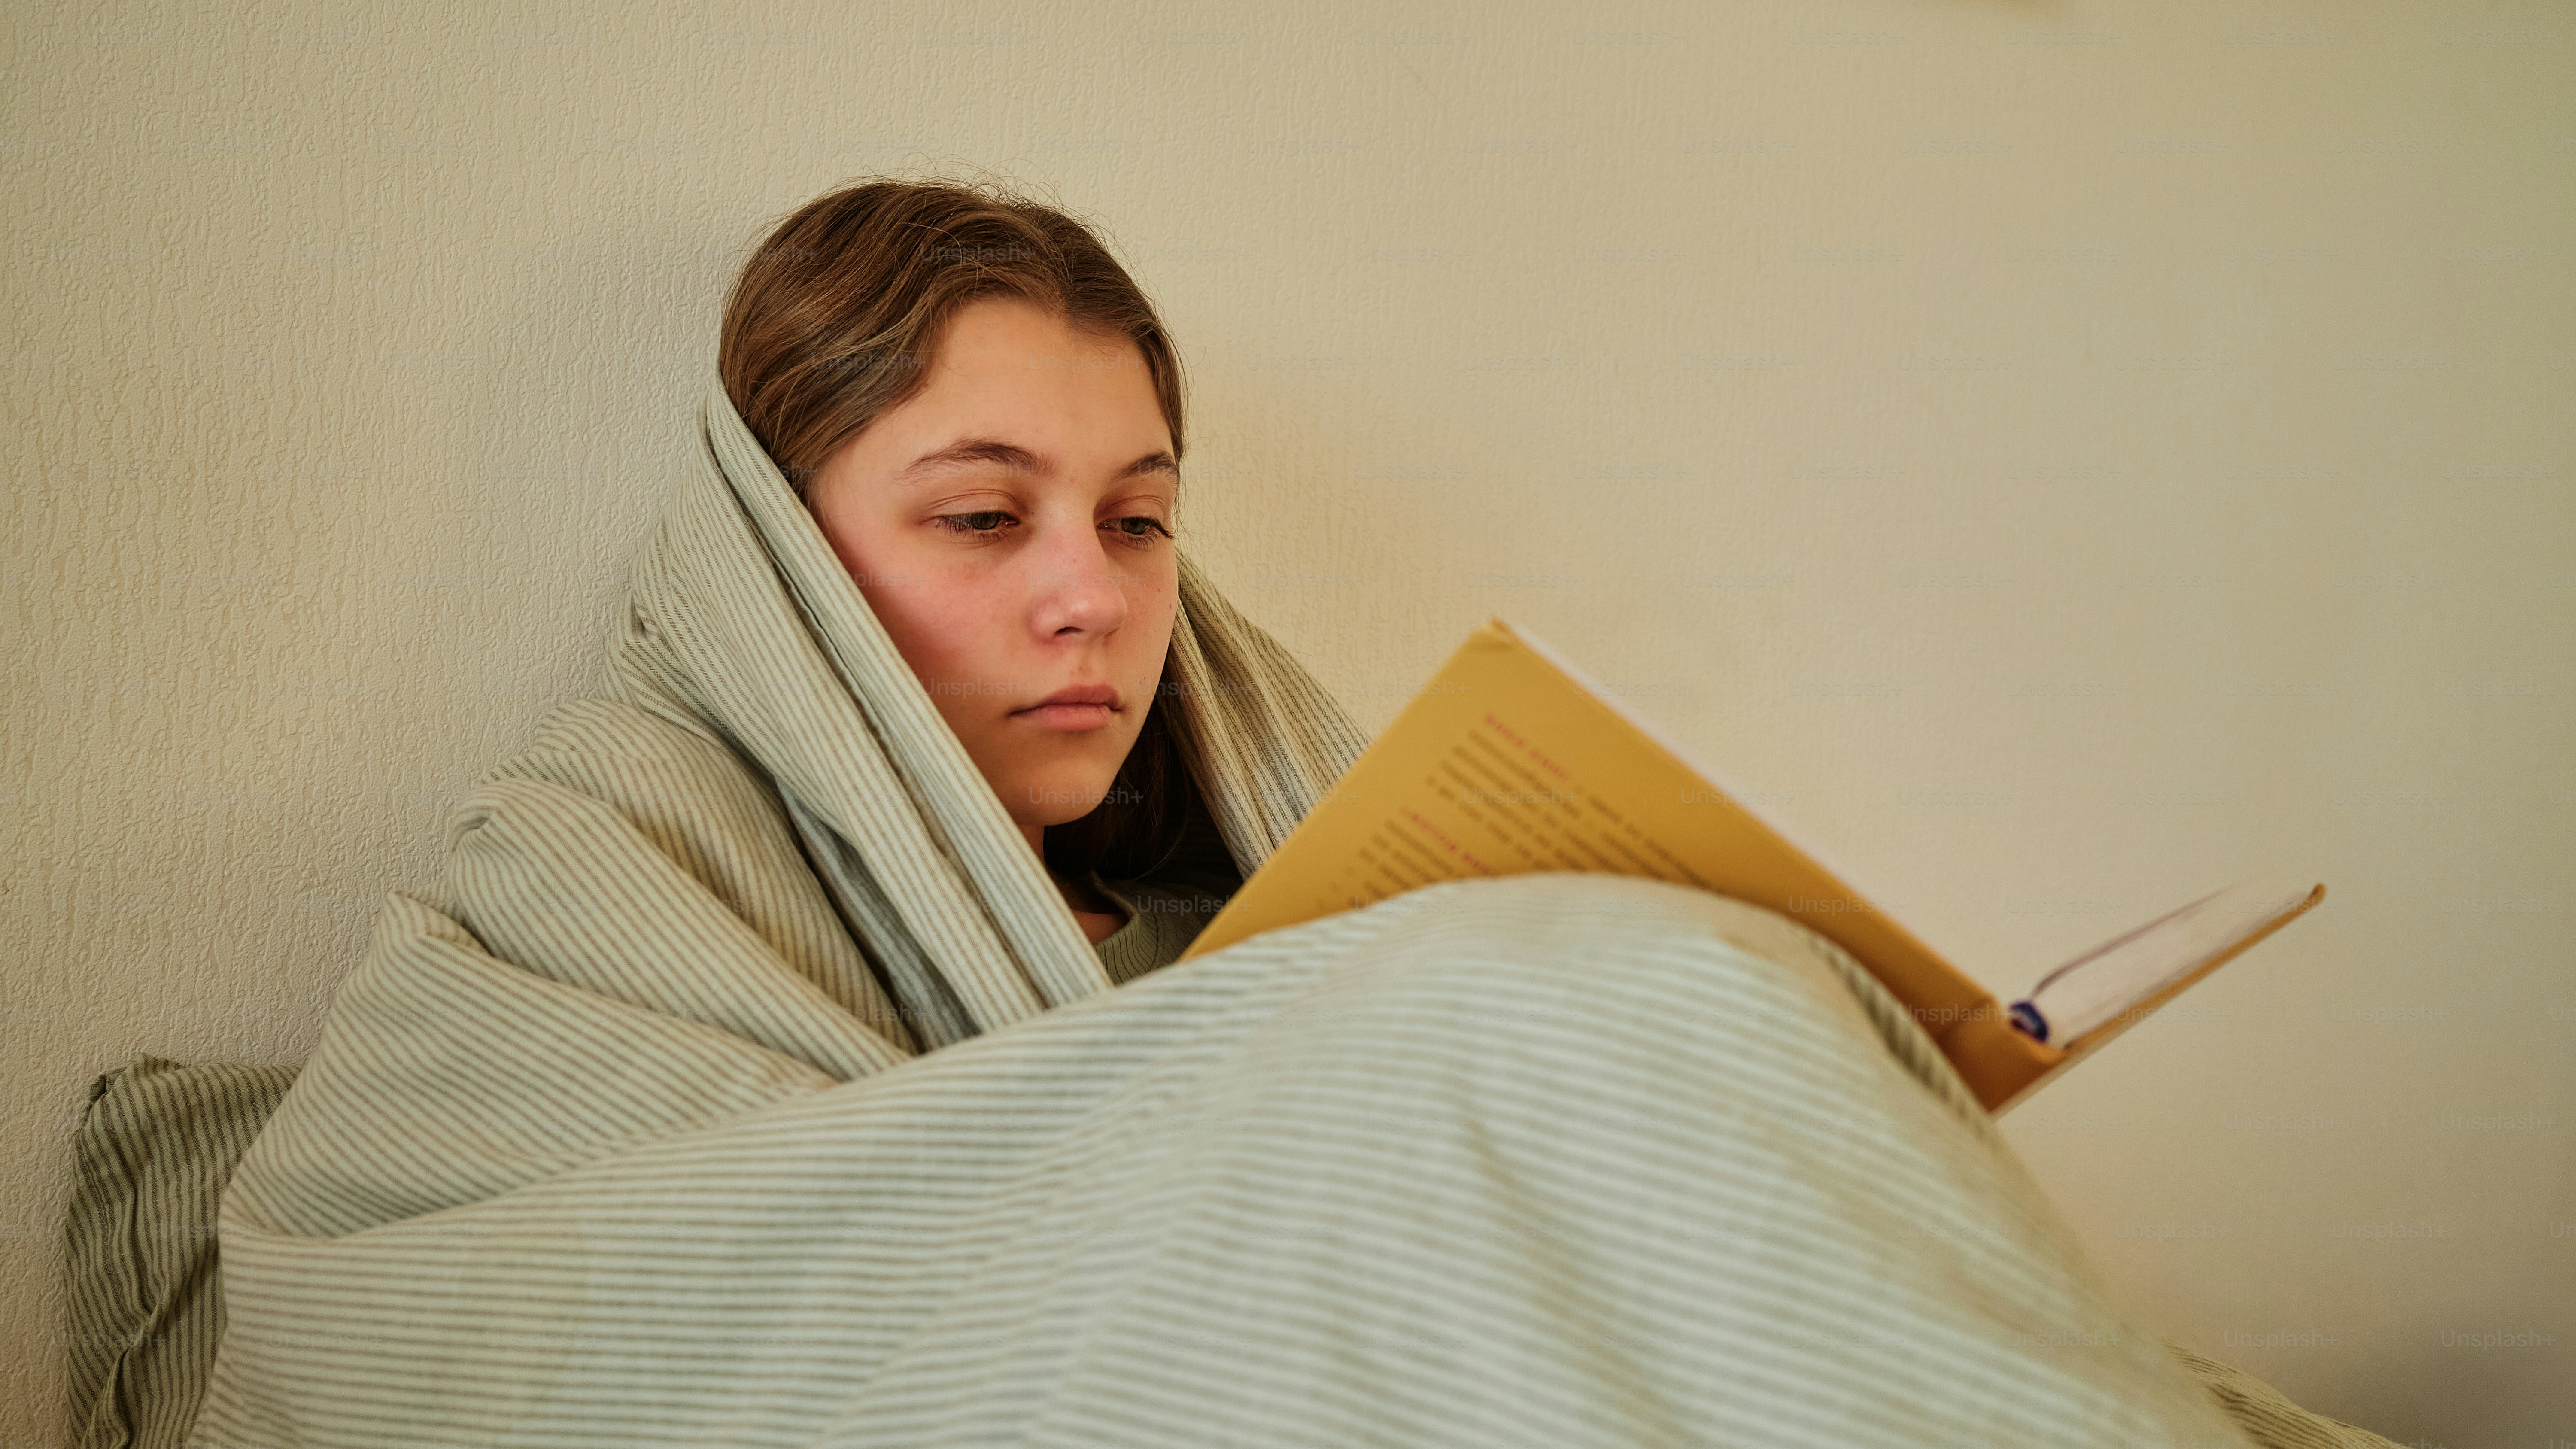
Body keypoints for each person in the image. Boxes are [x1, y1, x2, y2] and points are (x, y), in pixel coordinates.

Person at [188, 178, 2399, 1449]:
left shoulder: (1202, 897)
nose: (1095, 596)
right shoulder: (571, 890)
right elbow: (396, 1313)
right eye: (983, 516)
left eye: (1141, 521)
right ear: (777, 567)